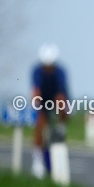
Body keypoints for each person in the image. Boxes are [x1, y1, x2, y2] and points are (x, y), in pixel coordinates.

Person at [30, 43, 69, 177]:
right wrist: (38, 109)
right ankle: (37, 159)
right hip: (43, 101)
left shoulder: (60, 72)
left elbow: (61, 93)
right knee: (39, 126)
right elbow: (36, 91)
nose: (48, 69)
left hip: (58, 100)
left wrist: (61, 113)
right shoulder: (36, 71)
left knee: (61, 103)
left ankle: (60, 126)